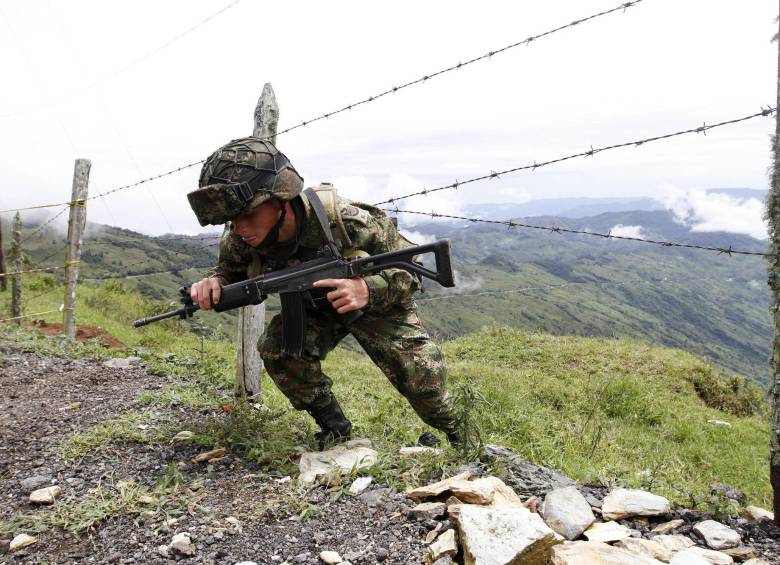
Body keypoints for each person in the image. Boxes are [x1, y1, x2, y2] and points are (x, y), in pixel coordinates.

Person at [186, 136, 458, 449]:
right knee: (280, 351)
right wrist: (213, 282)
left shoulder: (347, 221)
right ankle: (335, 430)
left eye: (249, 215)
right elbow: (229, 271)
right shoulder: (239, 238)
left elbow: (411, 270)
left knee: (422, 375)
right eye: (232, 219)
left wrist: (366, 289)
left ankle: (465, 440)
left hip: (375, 300)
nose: (240, 227)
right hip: (314, 306)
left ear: (282, 200)